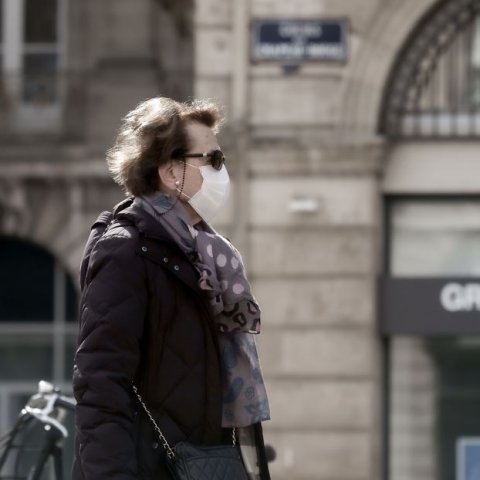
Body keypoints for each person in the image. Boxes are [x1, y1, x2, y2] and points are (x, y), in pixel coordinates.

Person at [72, 97, 272, 479]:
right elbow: (99, 381)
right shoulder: (126, 251)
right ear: (169, 171)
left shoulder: (208, 258)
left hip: (203, 465)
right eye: (211, 160)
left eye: (222, 160)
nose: (221, 170)